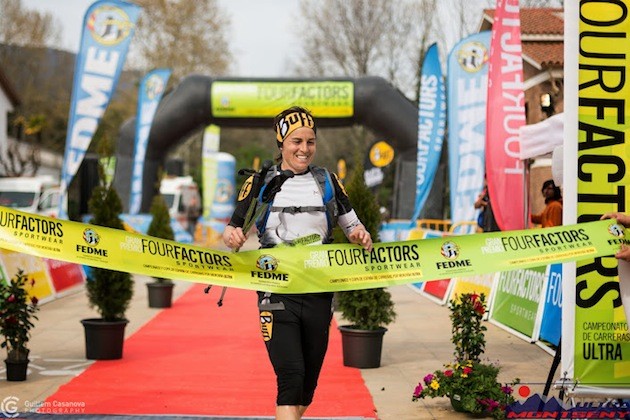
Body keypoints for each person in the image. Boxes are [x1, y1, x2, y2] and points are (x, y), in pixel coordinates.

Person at [222, 106, 372, 420]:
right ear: (281, 143)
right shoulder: (262, 182)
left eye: (310, 142)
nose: (304, 149)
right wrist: (232, 236)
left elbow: (352, 224)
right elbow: (233, 227)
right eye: (296, 141)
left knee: (307, 387)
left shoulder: (327, 180)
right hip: (274, 289)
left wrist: (360, 234)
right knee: (290, 377)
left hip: (319, 289)